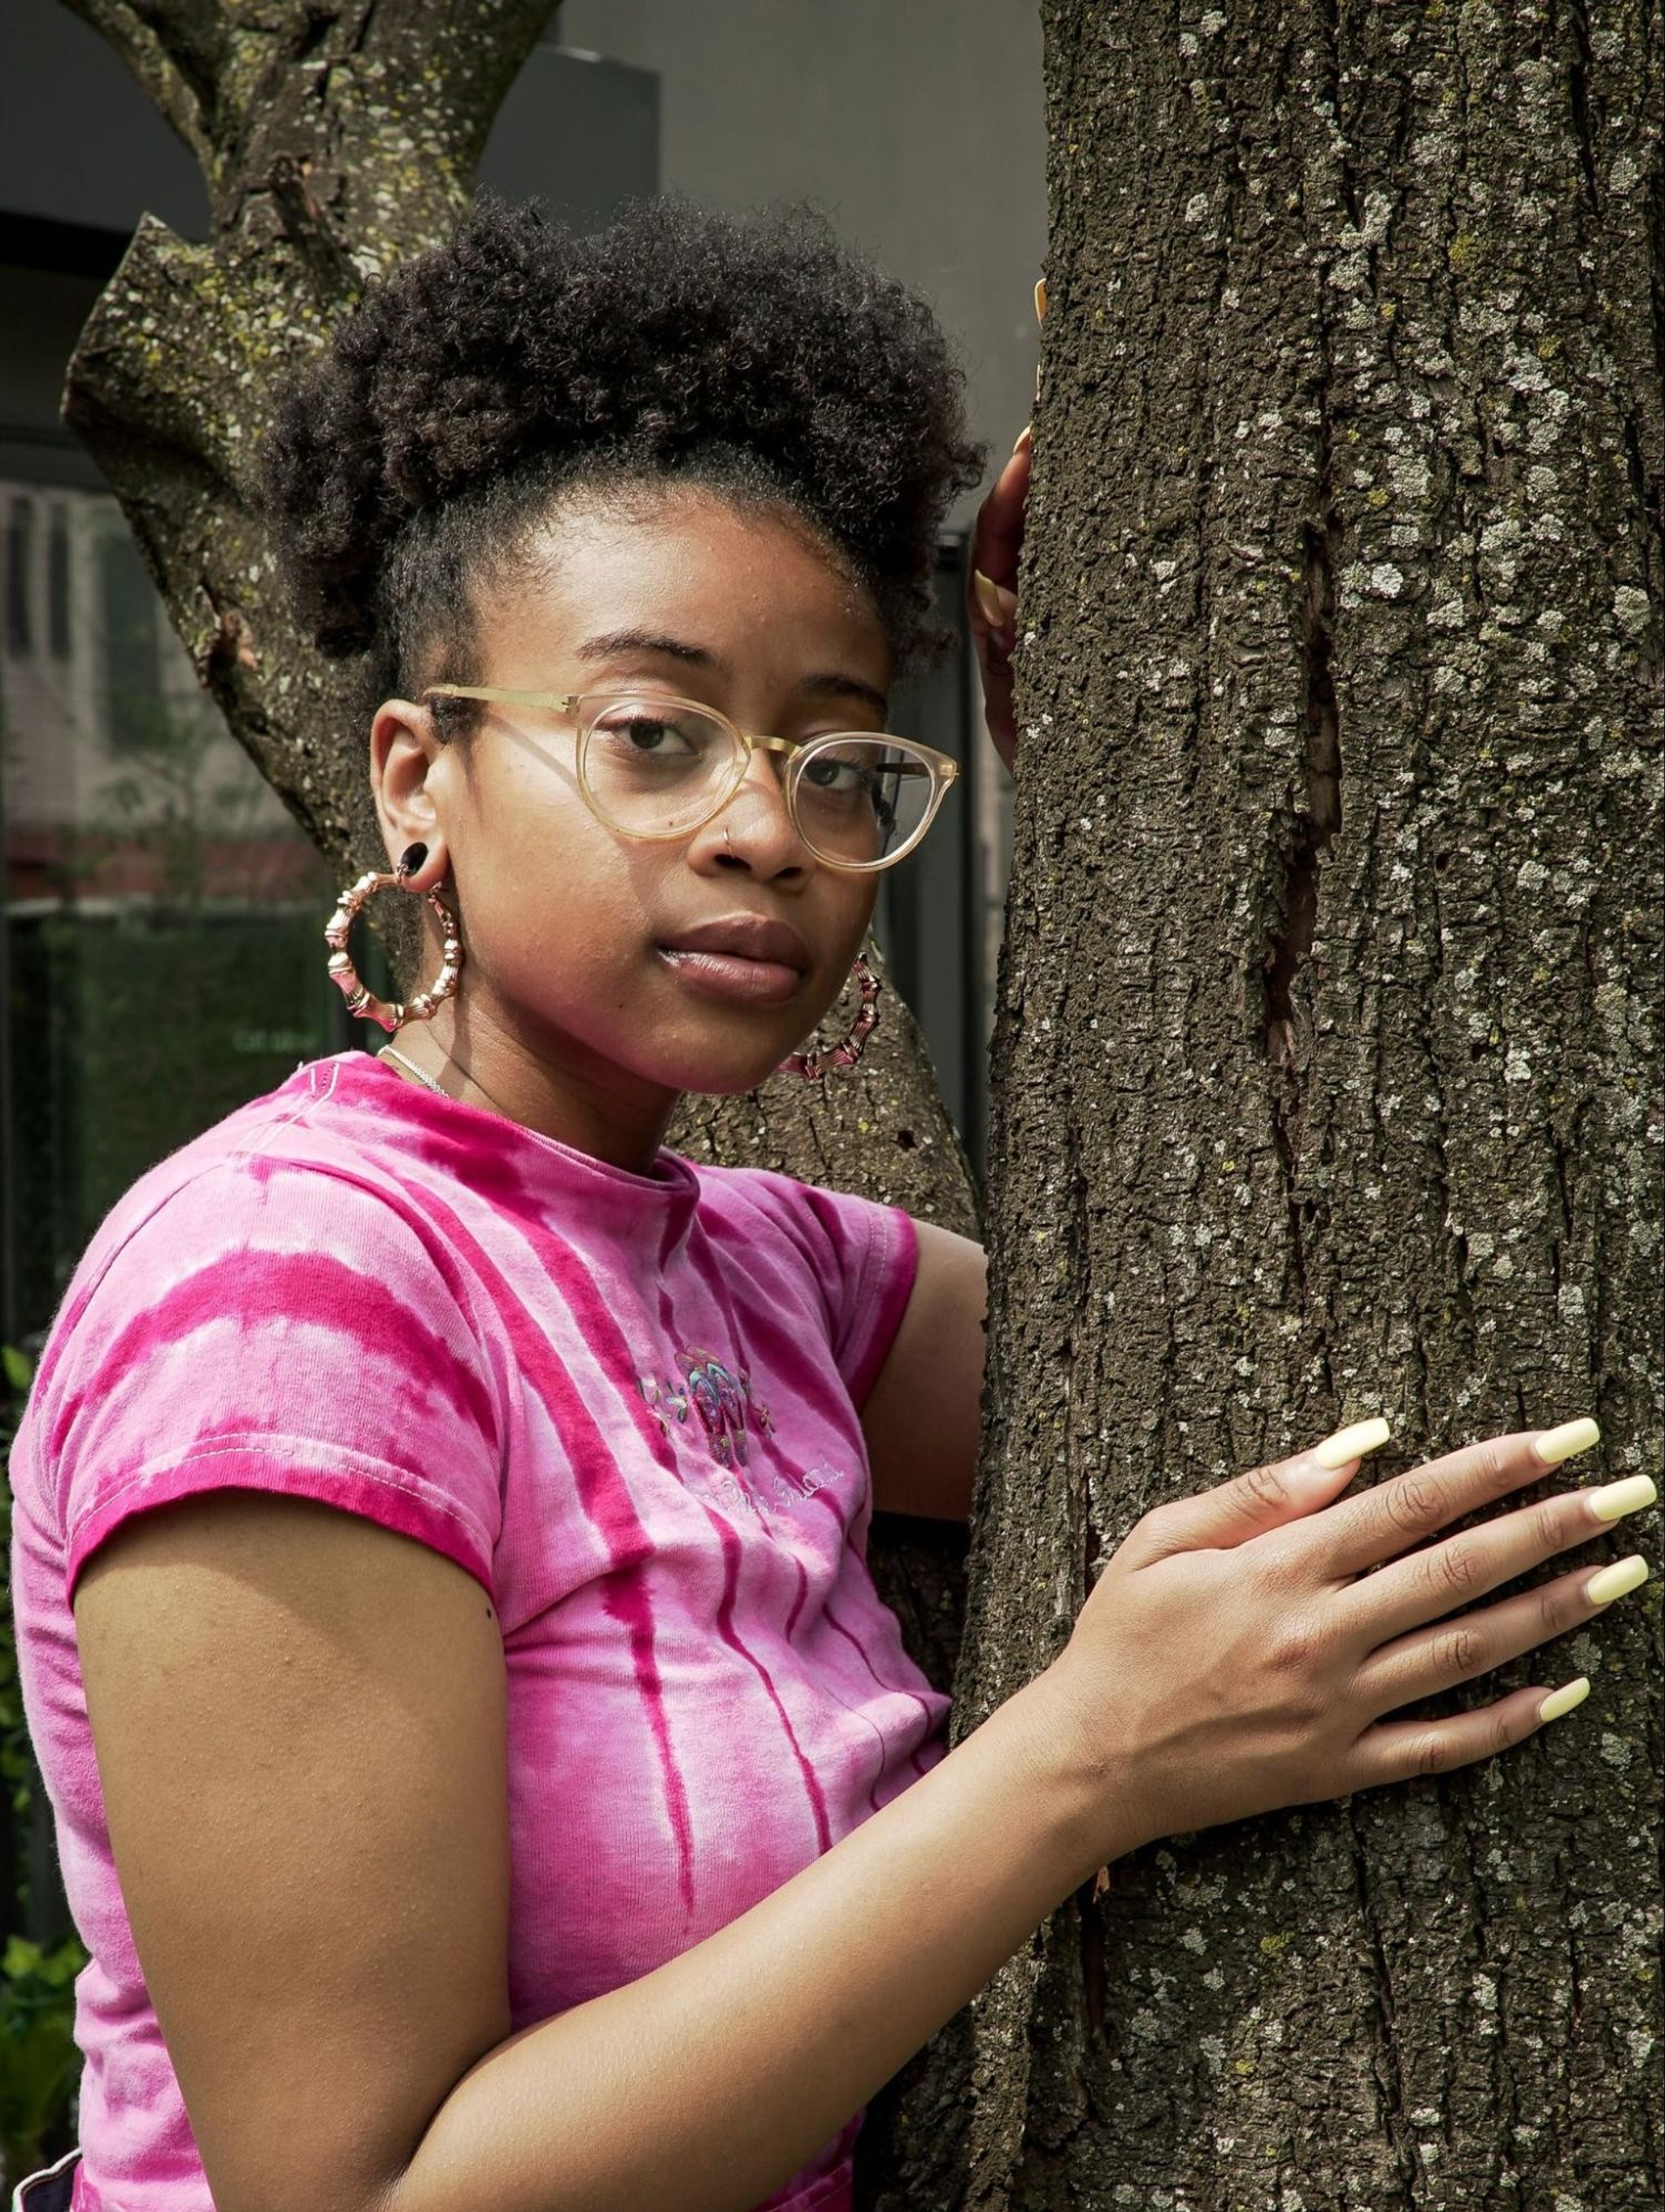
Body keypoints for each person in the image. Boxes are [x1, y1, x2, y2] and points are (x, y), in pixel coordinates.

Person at [7, 197, 1653, 2212]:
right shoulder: (292, 1285)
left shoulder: (765, 1266)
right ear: (413, 774)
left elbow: (1235, 1301)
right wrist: (1083, 1760)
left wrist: (1143, 762)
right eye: (651, 733)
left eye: (840, 757)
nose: (767, 830)